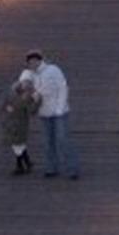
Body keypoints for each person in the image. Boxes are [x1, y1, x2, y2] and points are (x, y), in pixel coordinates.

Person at [25, 50, 79, 179]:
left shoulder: (53, 70)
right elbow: (27, 86)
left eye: (34, 61)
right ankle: (51, 168)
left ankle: (72, 169)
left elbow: (63, 87)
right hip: (44, 113)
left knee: (63, 140)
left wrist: (60, 108)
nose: (32, 64)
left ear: (40, 60)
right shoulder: (31, 75)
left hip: (59, 112)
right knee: (47, 142)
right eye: (30, 62)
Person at [1, 71, 38, 174]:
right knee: (18, 145)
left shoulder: (25, 97)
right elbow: (3, 104)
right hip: (13, 123)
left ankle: (21, 165)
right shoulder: (16, 94)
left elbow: (31, 110)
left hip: (17, 124)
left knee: (17, 145)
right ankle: (25, 163)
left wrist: (36, 101)